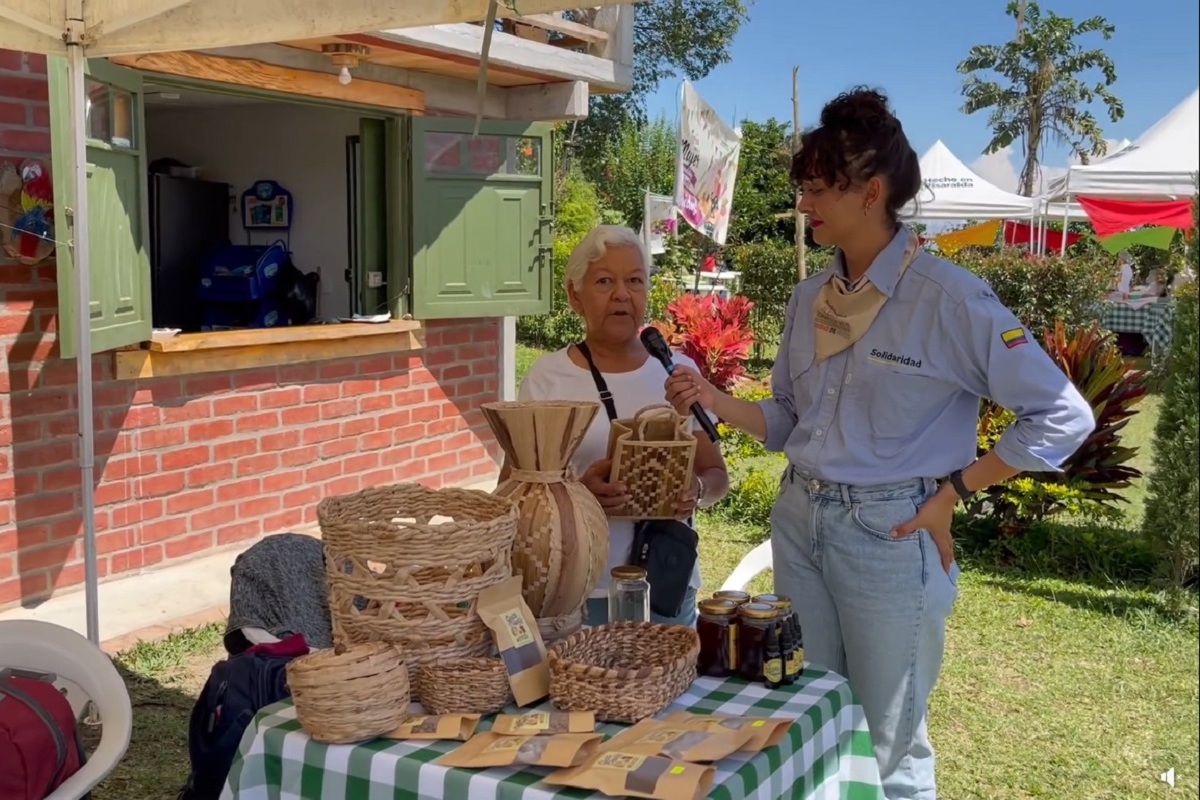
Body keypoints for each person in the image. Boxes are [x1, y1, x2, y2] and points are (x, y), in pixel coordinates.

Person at [664, 87, 1094, 799]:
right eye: (802, 187)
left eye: (816, 187)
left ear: (871, 192)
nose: (803, 204)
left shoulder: (948, 299)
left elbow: (1061, 414)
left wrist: (956, 490)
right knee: (813, 715)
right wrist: (714, 402)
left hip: (890, 534)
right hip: (801, 523)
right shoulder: (810, 300)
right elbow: (789, 422)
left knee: (891, 745)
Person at [516, 224, 730, 628]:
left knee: (673, 689)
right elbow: (515, 493)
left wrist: (697, 492)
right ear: (574, 295)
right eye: (604, 281)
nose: (622, 294)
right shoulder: (548, 379)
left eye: (634, 281)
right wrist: (579, 494)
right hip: (578, 591)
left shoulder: (679, 372)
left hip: (667, 585)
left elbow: (717, 476)